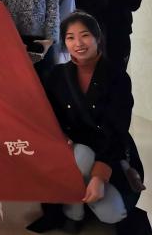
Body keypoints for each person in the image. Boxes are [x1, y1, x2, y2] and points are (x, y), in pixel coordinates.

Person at [27, 12, 148, 235]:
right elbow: (47, 117)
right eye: (70, 37)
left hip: (109, 152)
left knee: (113, 213)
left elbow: (117, 130)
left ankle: (87, 196)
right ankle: (75, 214)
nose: (78, 43)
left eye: (85, 35)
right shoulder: (57, 75)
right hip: (74, 152)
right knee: (81, 155)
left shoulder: (117, 77)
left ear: (97, 37)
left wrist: (99, 175)